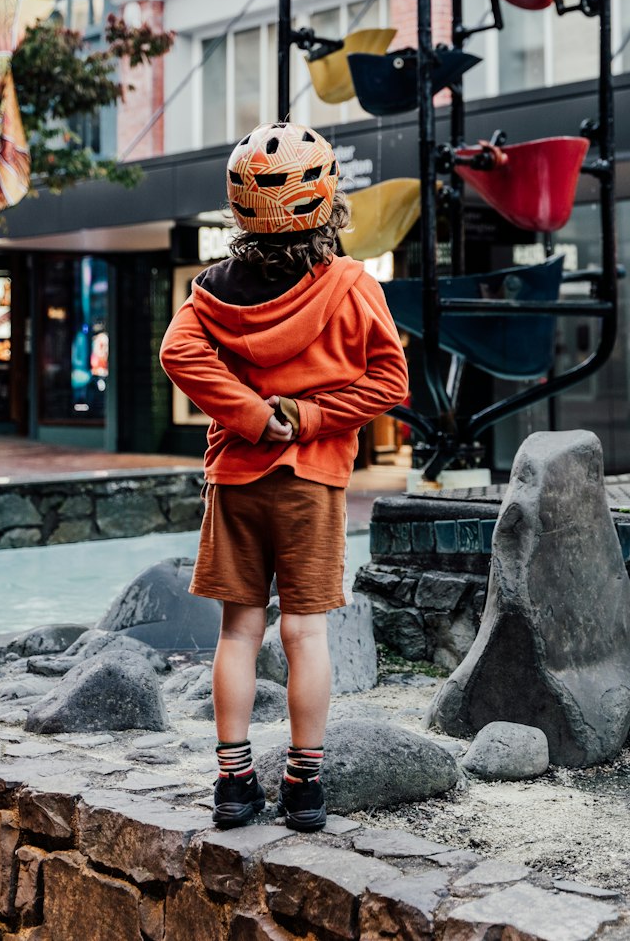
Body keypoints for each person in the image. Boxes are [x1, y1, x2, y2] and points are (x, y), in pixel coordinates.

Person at [159, 122, 409, 831]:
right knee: (305, 634)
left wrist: (247, 415)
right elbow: (390, 381)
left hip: (235, 480)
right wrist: (302, 419)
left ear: (240, 213)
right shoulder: (353, 287)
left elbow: (179, 357)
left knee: (237, 632)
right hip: (311, 483)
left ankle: (234, 785)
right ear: (328, 203)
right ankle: (303, 787)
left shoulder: (208, 294)